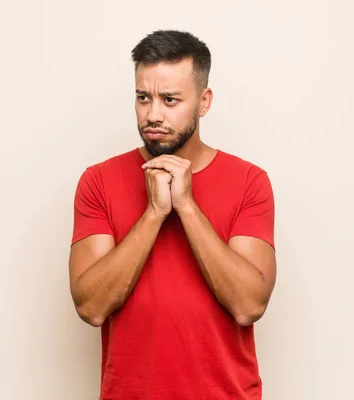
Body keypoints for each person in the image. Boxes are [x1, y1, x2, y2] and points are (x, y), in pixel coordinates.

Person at [68, 30, 277, 399]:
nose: (153, 114)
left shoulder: (250, 182)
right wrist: (153, 214)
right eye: (143, 97)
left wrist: (186, 206)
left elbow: (249, 306)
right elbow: (91, 307)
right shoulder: (98, 181)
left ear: (204, 101)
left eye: (170, 100)